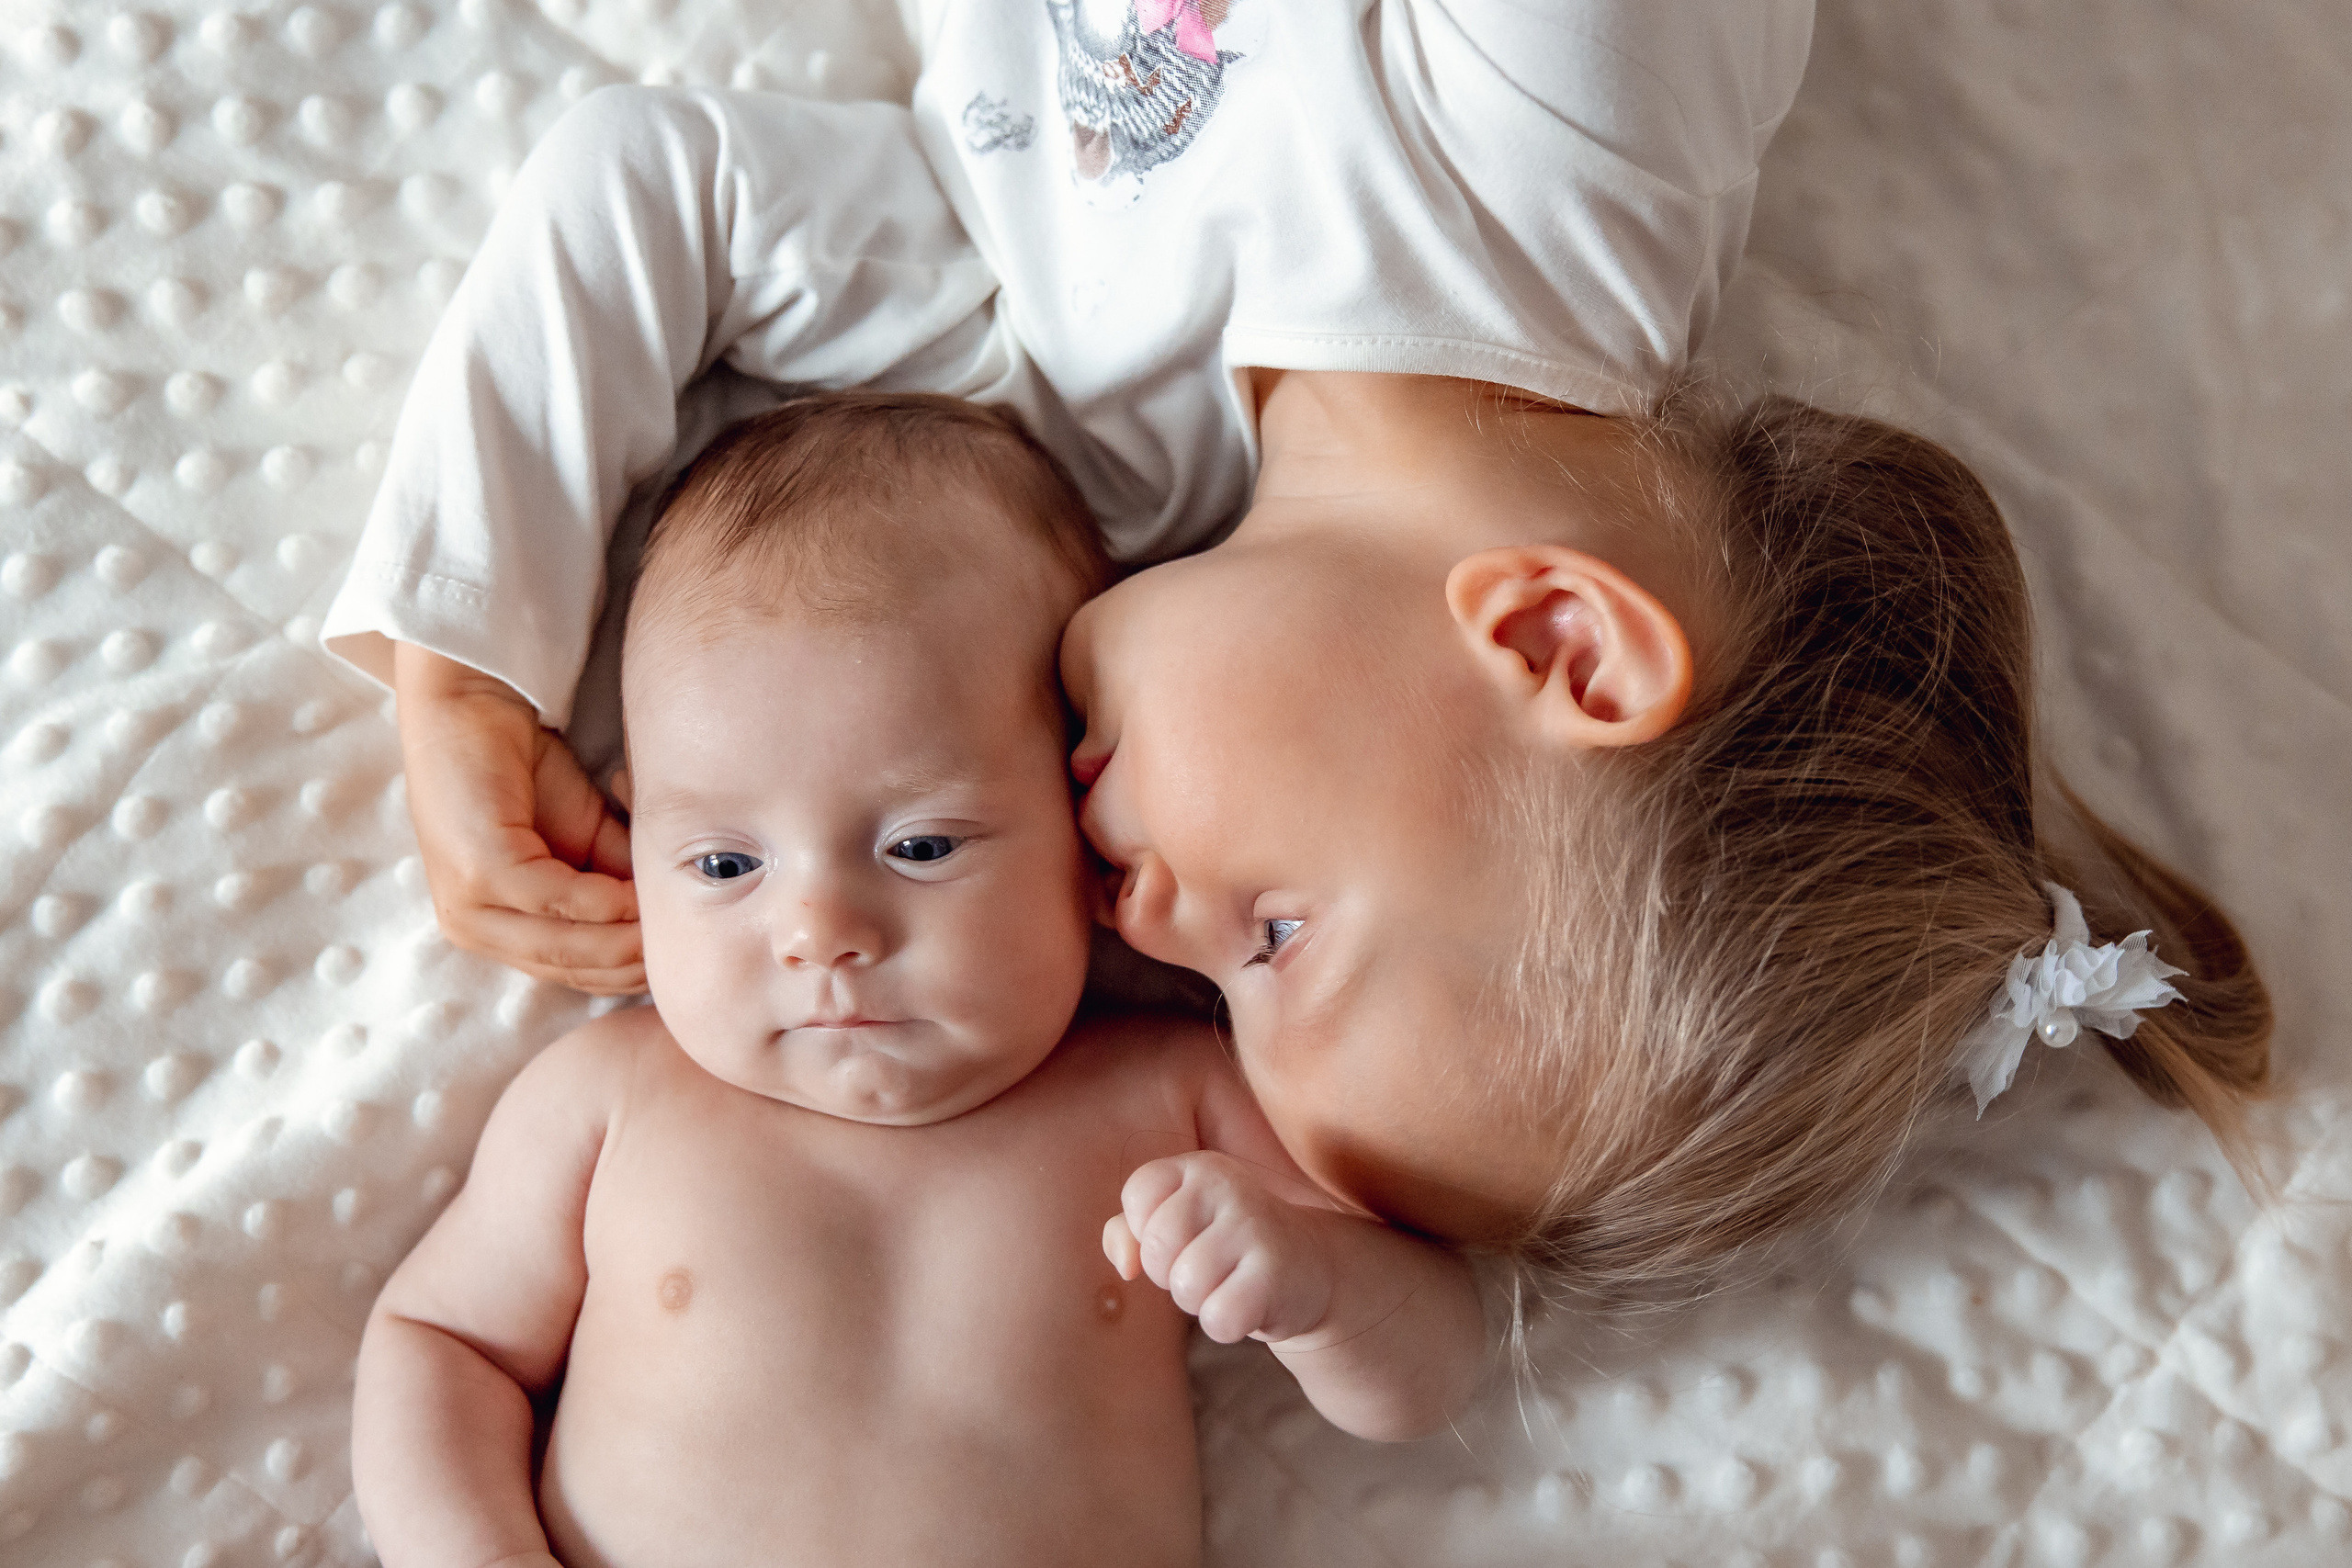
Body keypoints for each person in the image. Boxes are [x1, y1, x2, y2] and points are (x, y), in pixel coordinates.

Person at [326, 0, 2270, 1308]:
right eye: (1272, 944)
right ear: (1556, 644)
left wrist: (470, 657)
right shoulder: (1562, 147)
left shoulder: (1066, 445)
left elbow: (646, 184)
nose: (1141, 930)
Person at [348, 394, 1487, 1568]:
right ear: (638, 834)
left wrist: (1319, 1285)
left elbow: (1429, 1373)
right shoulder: (605, 1103)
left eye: (921, 846)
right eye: (728, 863)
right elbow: (441, 1341)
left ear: (1084, 826)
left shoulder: (1172, 1105)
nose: (821, 932)